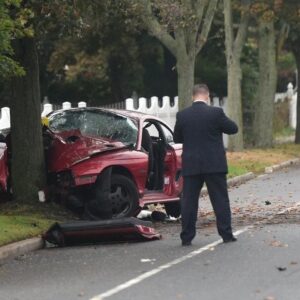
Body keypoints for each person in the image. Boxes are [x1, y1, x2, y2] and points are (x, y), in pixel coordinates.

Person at [174, 84, 238, 246]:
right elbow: (233, 129)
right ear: (207, 96)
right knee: (220, 200)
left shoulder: (183, 115)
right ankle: (226, 234)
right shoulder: (216, 113)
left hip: (191, 164)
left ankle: (186, 238)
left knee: (189, 202)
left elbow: (177, 138)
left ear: (192, 96)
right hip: (214, 164)